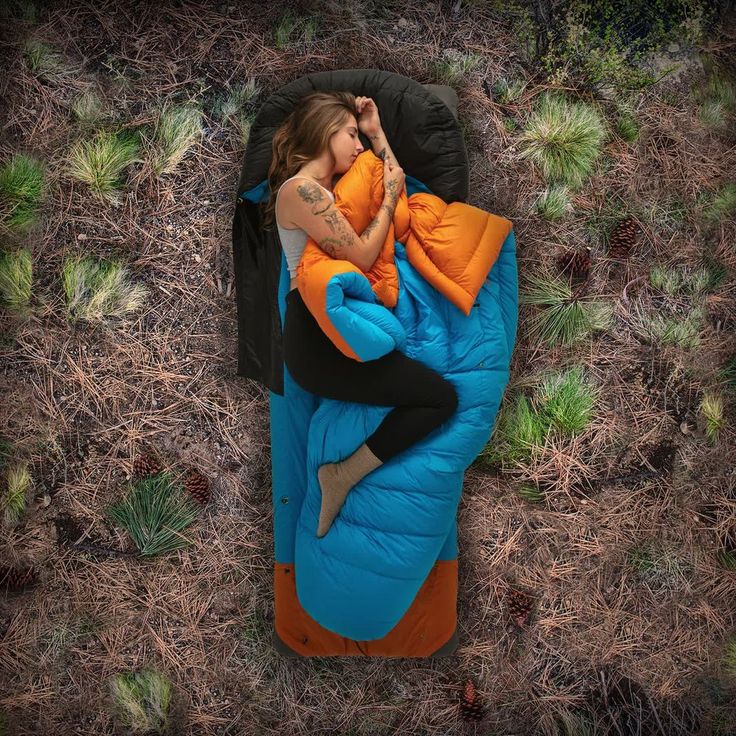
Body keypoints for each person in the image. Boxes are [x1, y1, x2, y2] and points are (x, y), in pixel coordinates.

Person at [262, 90, 459, 538]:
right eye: (350, 134)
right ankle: (342, 475)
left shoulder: (332, 191)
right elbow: (364, 255)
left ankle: (343, 474)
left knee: (437, 396)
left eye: (358, 136)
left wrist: (375, 131)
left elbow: (392, 179)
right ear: (324, 131)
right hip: (318, 335)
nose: (357, 146)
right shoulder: (303, 191)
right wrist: (387, 202)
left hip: (340, 325)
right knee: (440, 399)